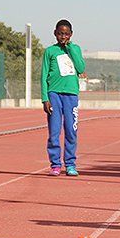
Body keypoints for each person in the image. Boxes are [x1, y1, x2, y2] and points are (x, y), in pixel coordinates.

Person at [41, 19, 86, 177]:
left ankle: (70, 163)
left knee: (71, 131)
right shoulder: (50, 51)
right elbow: (43, 75)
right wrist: (44, 98)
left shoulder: (75, 49)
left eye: (66, 34)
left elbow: (81, 68)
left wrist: (70, 48)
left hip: (71, 95)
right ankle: (55, 164)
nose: (63, 37)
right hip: (54, 94)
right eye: (60, 33)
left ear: (71, 34)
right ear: (55, 33)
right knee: (54, 132)